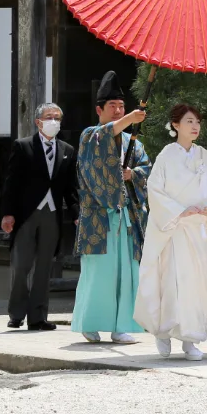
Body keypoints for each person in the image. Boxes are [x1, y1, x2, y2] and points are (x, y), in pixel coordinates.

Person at [134, 104, 207, 360]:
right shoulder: (166, 156)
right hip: (175, 228)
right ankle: (163, 332)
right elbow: (155, 190)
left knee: (198, 284)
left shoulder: (205, 156)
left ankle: (191, 338)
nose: (195, 126)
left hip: (200, 229)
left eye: (197, 121)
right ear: (175, 125)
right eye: (189, 121)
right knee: (173, 282)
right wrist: (178, 210)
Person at [73, 71, 149, 344]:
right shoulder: (90, 136)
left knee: (126, 273)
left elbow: (146, 169)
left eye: (122, 106)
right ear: (99, 109)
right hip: (99, 218)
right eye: (112, 107)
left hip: (126, 216)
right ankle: (89, 322)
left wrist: (133, 175)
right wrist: (128, 119)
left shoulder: (133, 143)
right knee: (98, 274)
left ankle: (121, 326)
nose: (118, 110)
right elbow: (102, 145)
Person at [1, 102, 78, 330]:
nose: (53, 121)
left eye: (57, 117)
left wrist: (76, 213)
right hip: (26, 214)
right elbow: (11, 183)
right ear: (38, 122)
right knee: (22, 265)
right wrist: (8, 213)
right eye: (49, 117)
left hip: (52, 214)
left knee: (45, 267)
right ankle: (16, 313)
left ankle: (38, 317)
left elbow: (70, 187)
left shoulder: (67, 150)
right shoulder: (23, 146)